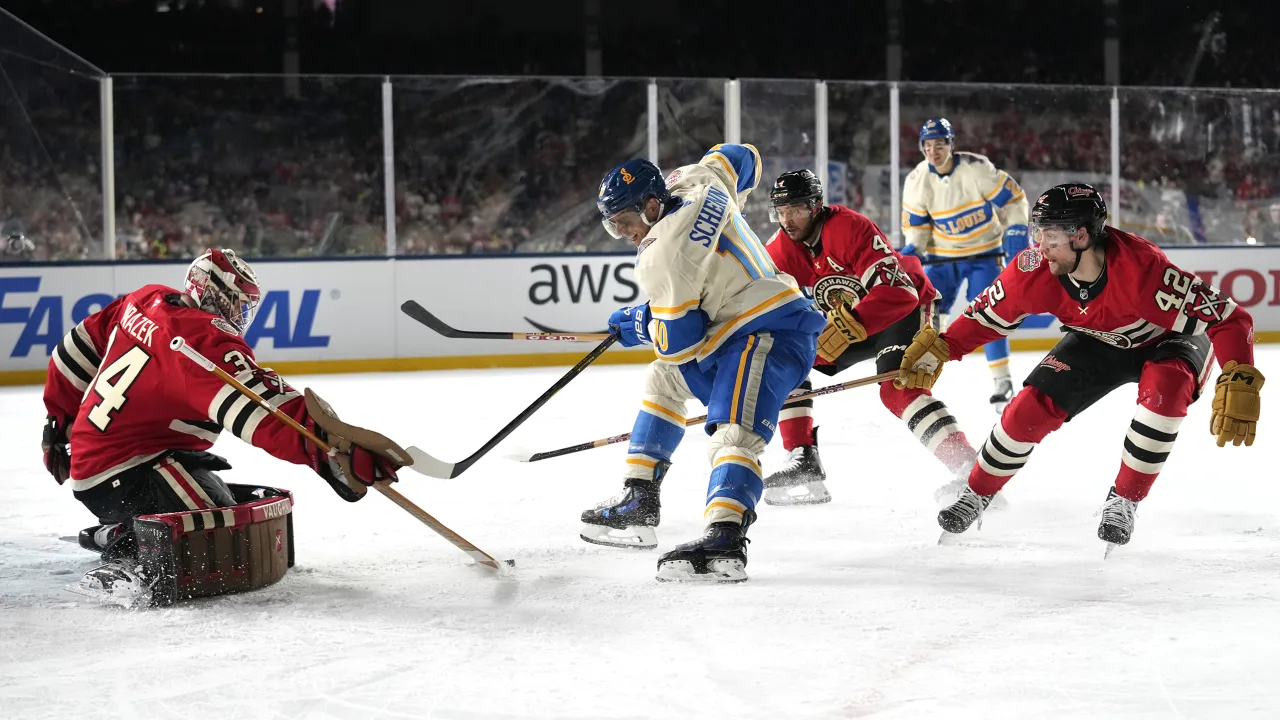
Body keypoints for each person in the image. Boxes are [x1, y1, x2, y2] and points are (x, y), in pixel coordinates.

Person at [896, 183, 1261, 550]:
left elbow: (1231, 320)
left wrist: (1241, 374)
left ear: (1082, 235)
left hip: (1169, 342)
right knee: (1028, 408)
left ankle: (1125, 500)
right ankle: (977, 492)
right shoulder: (1033, 269)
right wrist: (941, 348)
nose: (1040, 246)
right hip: (1097, 339)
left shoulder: (1142, 271)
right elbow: (985, 317)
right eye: (1038, 233)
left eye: (1050, 237)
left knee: (1164, 391)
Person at [41, 249, 400, 600]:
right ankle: (129, 557)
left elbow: (73, 350)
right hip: (128, 466)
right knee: (211, 532)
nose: (239, 314)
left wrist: (57, 423)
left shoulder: (146, 299)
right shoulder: (200, 342)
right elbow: (262, 408)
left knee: (220, 500)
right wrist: (328, 449)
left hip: (123, 457)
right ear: (209, 292)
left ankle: (120, 527)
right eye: (235, 302)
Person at [579, 145, 825, 582]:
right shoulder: (696, 180)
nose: (625, 234)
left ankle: (725, 541)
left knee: (735, 431)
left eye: (626, 223)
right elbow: (741, 155)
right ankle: (640, 500)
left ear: (651, 206)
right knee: (665, 379)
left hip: (768, 332)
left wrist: (642, 321)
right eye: (614, 227)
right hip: (740, 326)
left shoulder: (661, 255)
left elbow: (679, 341)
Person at [759, 169, 981, 506]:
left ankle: (973, 473)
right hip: (852, 323)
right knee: (786, 357)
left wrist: (851, 325)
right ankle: (804, 459)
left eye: (797, 209)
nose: (788, 219)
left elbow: (899, 291)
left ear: (817, 205)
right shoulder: (779, 251)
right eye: (782, 211)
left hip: (901, 308)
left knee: (899, 390)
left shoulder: (848, 228)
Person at [900, 118, 1030, 412]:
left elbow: (1015, 200)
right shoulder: (916, 181)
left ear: (952, 145)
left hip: (984, 254)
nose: (934, 151)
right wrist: (912, 250)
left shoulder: (977, 168)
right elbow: (918, 231)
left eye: (940, 144)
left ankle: (1002, 380)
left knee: (990, 313)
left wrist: (1016, 230)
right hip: (943, 257)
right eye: (928, 146)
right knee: (926, 312)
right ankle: (921, 375)